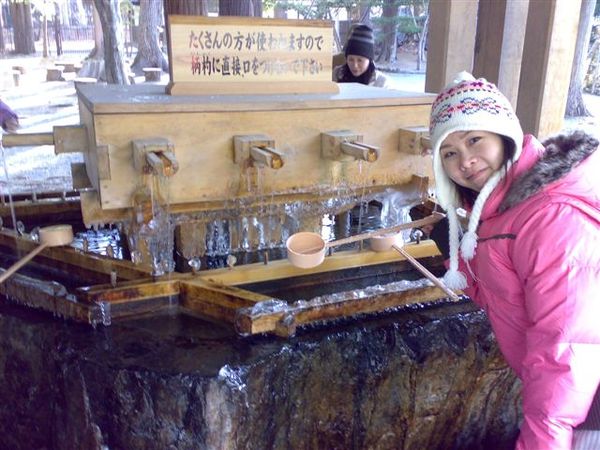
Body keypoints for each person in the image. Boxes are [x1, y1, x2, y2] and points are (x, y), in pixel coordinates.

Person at [428, 71, 600, 449]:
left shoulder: (549, 216)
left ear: (503, 135)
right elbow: (505, 296)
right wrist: (459, 258)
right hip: (575, 397)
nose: (466, 161)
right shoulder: (502, 209)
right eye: (450, 152)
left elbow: (565, 349)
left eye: (474, 139)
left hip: (587, 404)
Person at [332, 24, 390, 88]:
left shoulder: (381, 83)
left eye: (360, 60)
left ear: (369, 60)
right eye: (351, 59)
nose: (355, 65)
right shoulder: (336, 74)